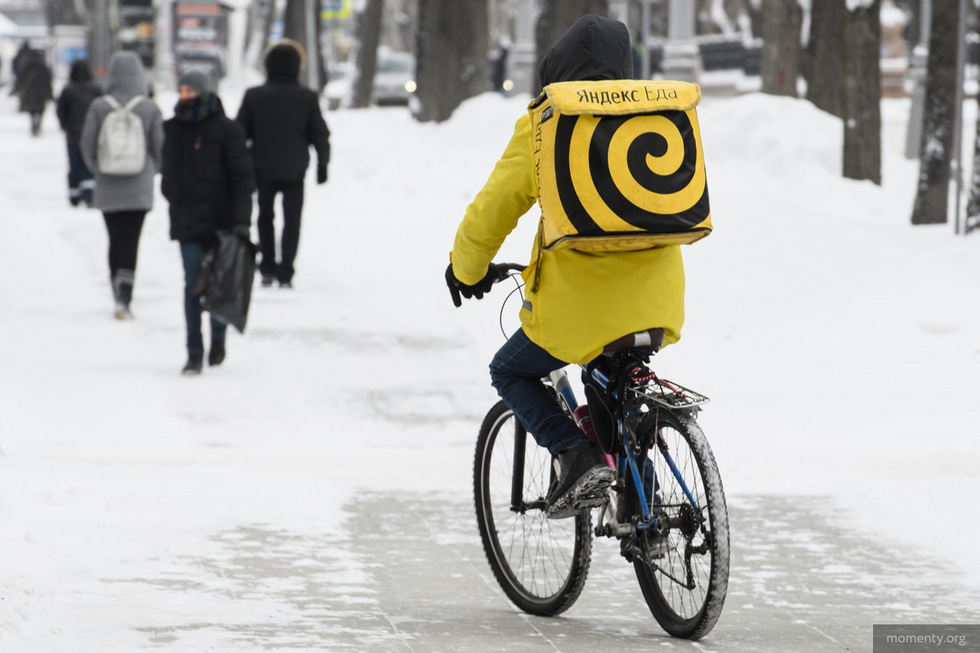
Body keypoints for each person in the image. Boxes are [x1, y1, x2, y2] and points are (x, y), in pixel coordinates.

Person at [445, 15, 686, 519]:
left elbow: (492, 209)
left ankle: (574, 455)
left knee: (509, 370)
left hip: (577, 312)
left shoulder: (546, 124)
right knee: (613, 380)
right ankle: (645, 508)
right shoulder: (655, 118)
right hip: (656, 303)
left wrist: (466, 270)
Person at [161, 71, 255, 376]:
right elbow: (168, 175)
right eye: (181, 89)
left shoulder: (227, 130)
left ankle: (217, 334)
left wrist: (241, 221)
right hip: (188, 222)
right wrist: (176, 194)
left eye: (189, 90)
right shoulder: (172, 129)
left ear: (202, 92)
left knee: (218, 287)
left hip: (222, 223)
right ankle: (193, 352)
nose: (184, 95)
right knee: (191, 286)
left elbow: (243, 179)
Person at [236, 38, 330, 289]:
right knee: (292, 220)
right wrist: (323, 164)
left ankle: (267, 266)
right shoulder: (306, 97)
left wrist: (238, 165)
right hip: (295, 169)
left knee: (265, 216)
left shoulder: (254, 96)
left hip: (262, 169)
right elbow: (319, 133)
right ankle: (286, 271)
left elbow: (238, 134)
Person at [79, 51, 164, 320]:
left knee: (114, 239)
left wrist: (98, 168)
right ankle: (126, 295)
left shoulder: (99, 106)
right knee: (132, 240)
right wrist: (152, 170)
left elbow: (86, 144)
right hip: (139, 186)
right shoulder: (149, 107)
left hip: (108, 184)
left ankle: (116, 290)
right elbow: (160, 146)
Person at [56, 59, 102, 206]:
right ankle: (89, 195)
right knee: (89, 165)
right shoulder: (96, 90)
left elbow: (61, 111)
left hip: (73, 135)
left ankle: (74, 195)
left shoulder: (68, 90)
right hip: (93, 135)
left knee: (74, 165)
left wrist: (65, 126)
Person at [15, 49, 52, 136]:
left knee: (32, 110)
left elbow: (21, 79)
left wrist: (18, 89)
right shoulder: (43, 66)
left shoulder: (26, 66)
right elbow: (48, 81)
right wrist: (49, 94)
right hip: (40, 92)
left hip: (30, 92)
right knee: (40, 110)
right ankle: (38, 124)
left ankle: (33, 124)